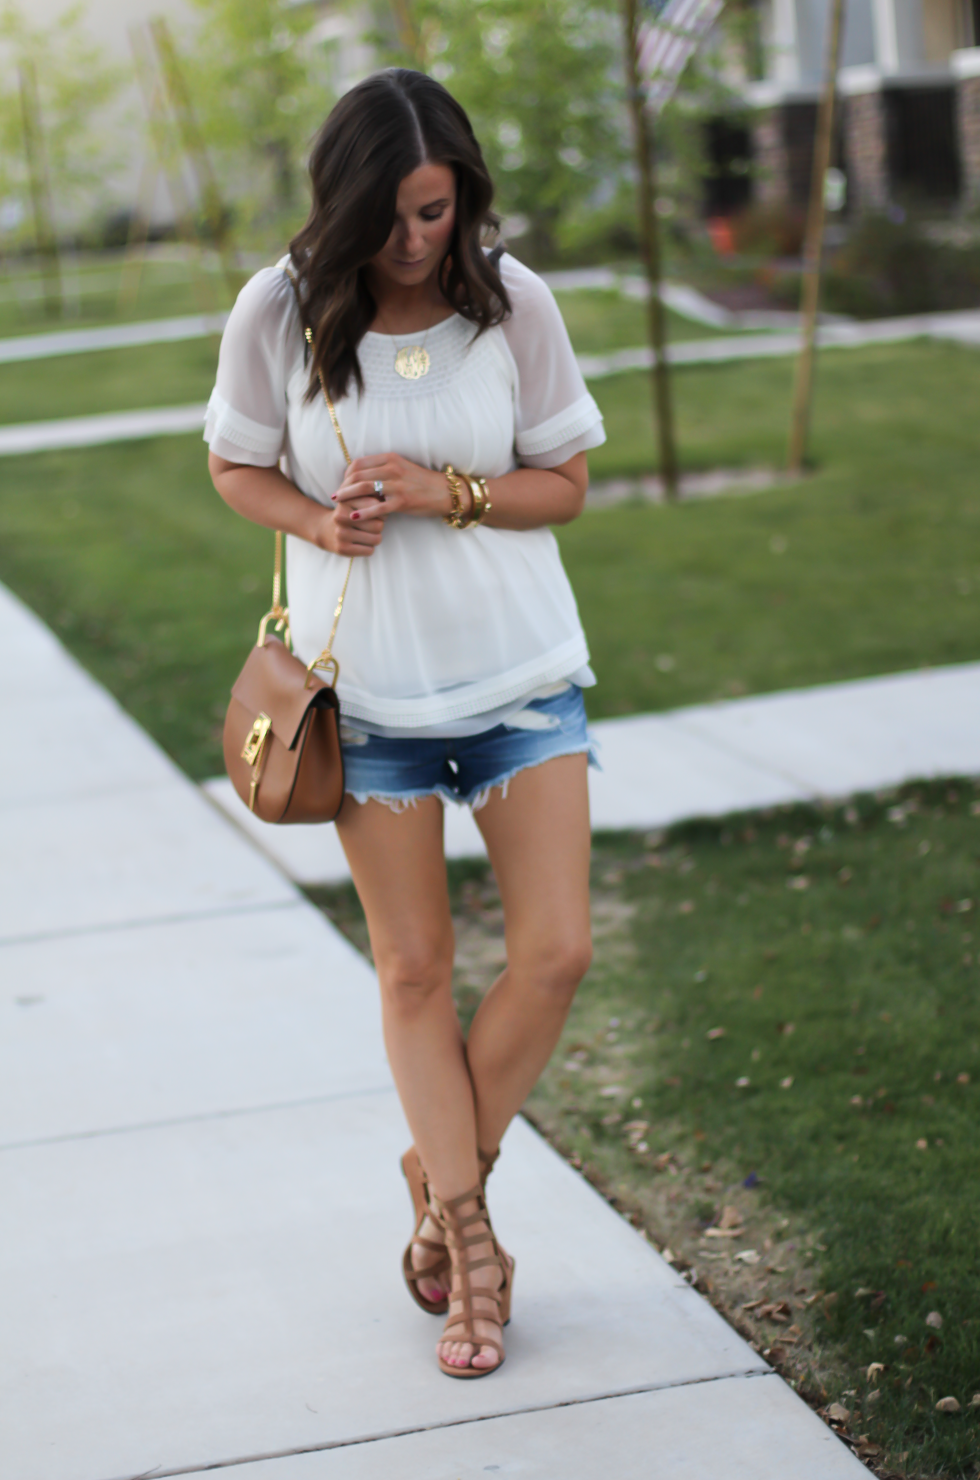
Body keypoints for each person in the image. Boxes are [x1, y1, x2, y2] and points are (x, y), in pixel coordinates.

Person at [206, 68, 604, 1379]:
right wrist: (323, 520)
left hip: (522, 680)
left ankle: (438, 1174)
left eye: (433, 211)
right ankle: (475, 1256)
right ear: (344, 202)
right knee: (414, 973)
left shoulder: (514, 303)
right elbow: (233, 464)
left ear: (463, 196)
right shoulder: (279, 309)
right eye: (388, 214)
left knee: (555, 954)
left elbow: (569, 484)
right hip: (365, 698)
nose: (413, 239)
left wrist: (454, 493)